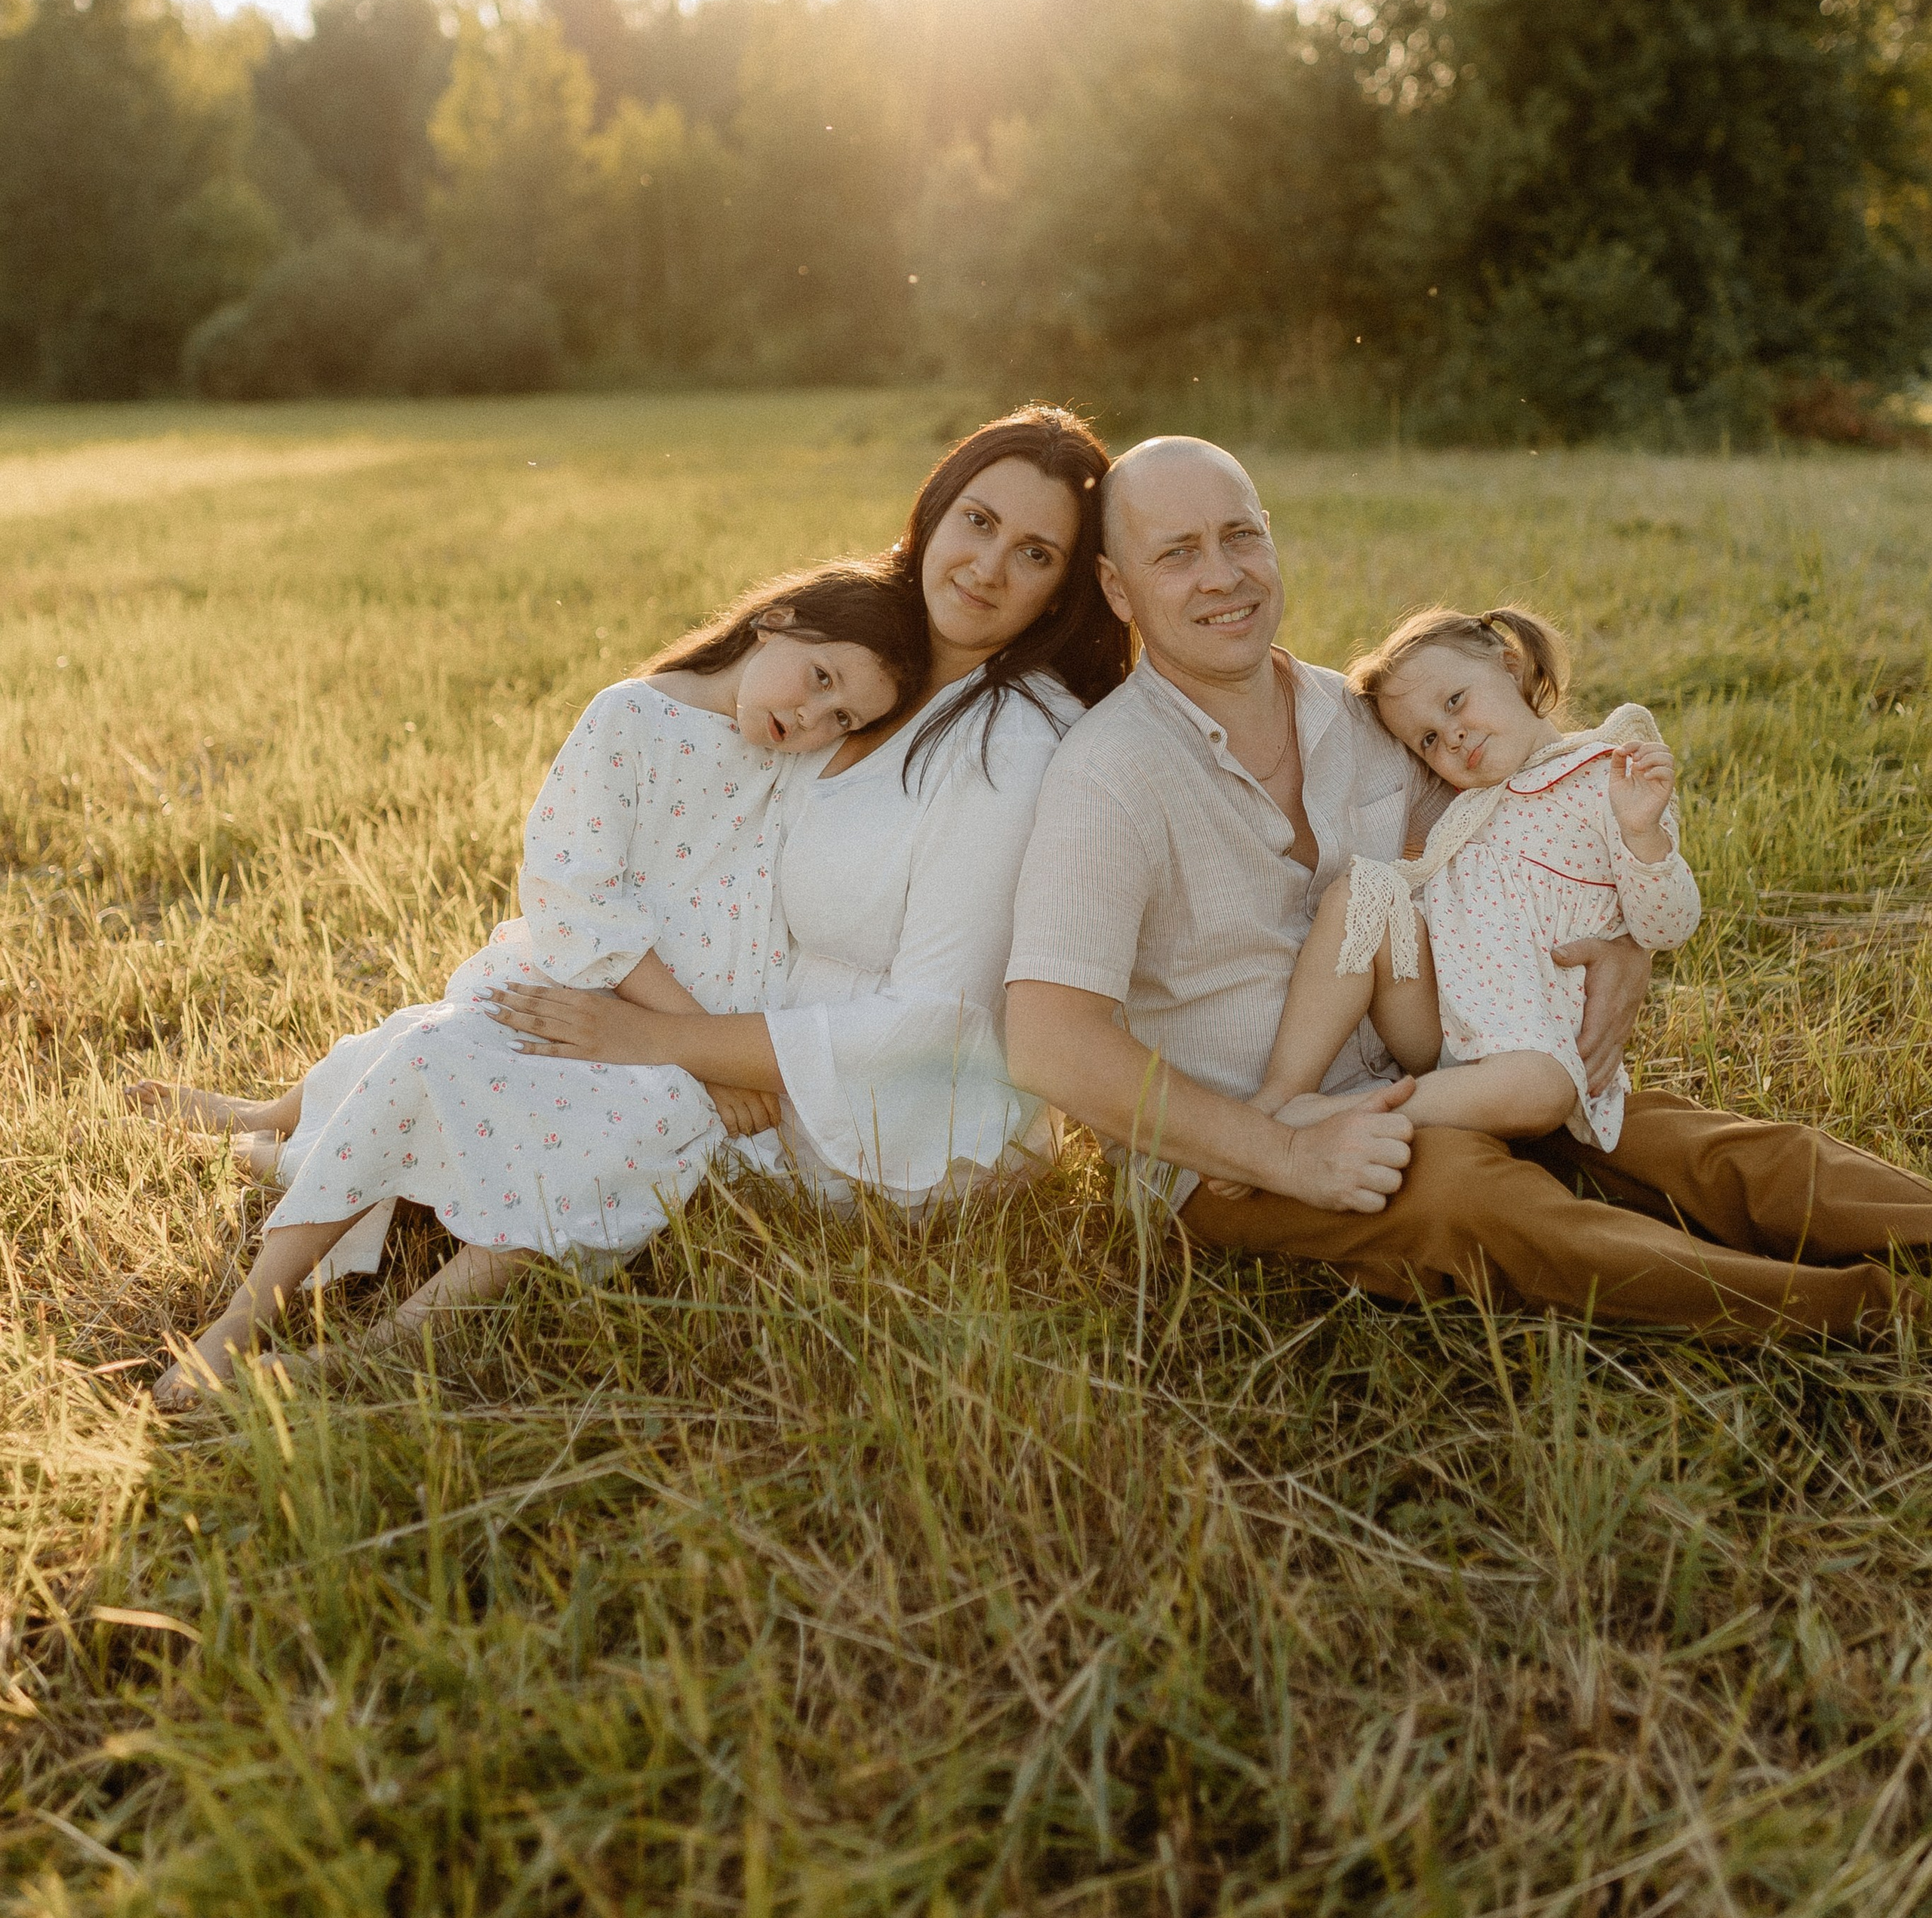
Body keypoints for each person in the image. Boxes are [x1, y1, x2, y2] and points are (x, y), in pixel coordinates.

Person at [1005, 437, 1932, 1338]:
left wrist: (1624, 945)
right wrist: (1285, 1149)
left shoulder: (1371, 718)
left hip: (1454, 1060)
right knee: (1497, 1209)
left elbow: (1536, 830)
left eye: (1240, 535)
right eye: (1177, 553)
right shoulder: (1109, 775)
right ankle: (1873, 1313)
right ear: (1117, 588)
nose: (1223, 574)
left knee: (1697, 1147)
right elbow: (1051, 1044)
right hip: (1240, 1153)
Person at [147, 561, 927, 1406]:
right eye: (818, 678)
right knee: (429, 1047)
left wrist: (711, 1057)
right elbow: (576, 896)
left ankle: (384, 1346)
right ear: (775, 618)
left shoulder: (801, 766)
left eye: (840, 716)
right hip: (585, 989)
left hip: (685, 1056)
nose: (811, 718)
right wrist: (704, 1046)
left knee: (624, 1134)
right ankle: (241, 1313)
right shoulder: (632, 717)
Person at [491, 406, 1132, 1211]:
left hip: (886, 1126)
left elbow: (935, 1021)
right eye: (977, 522)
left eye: (1034, 555)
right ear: (933, 514)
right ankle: (298, 1135)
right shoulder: (861, 666)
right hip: (738, 1051)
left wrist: (664, 1043)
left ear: (1060, 594)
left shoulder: (1013, 742)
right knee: (499, 1029)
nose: (988, 568)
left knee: (513, 1098)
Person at [1239, 605, 1699, 1157]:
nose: (1452, 737)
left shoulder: (1610, 779)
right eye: (1428, 740)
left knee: (1540, 1086)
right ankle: (1281, 1095)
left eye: (1455, 701)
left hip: (1535, 1047)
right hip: (1438, 1021)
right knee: (1364, 893)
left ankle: (1337, 1115)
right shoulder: (1463, 806)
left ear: (1510, 665)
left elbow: (1667, 927)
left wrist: (1644, 834)